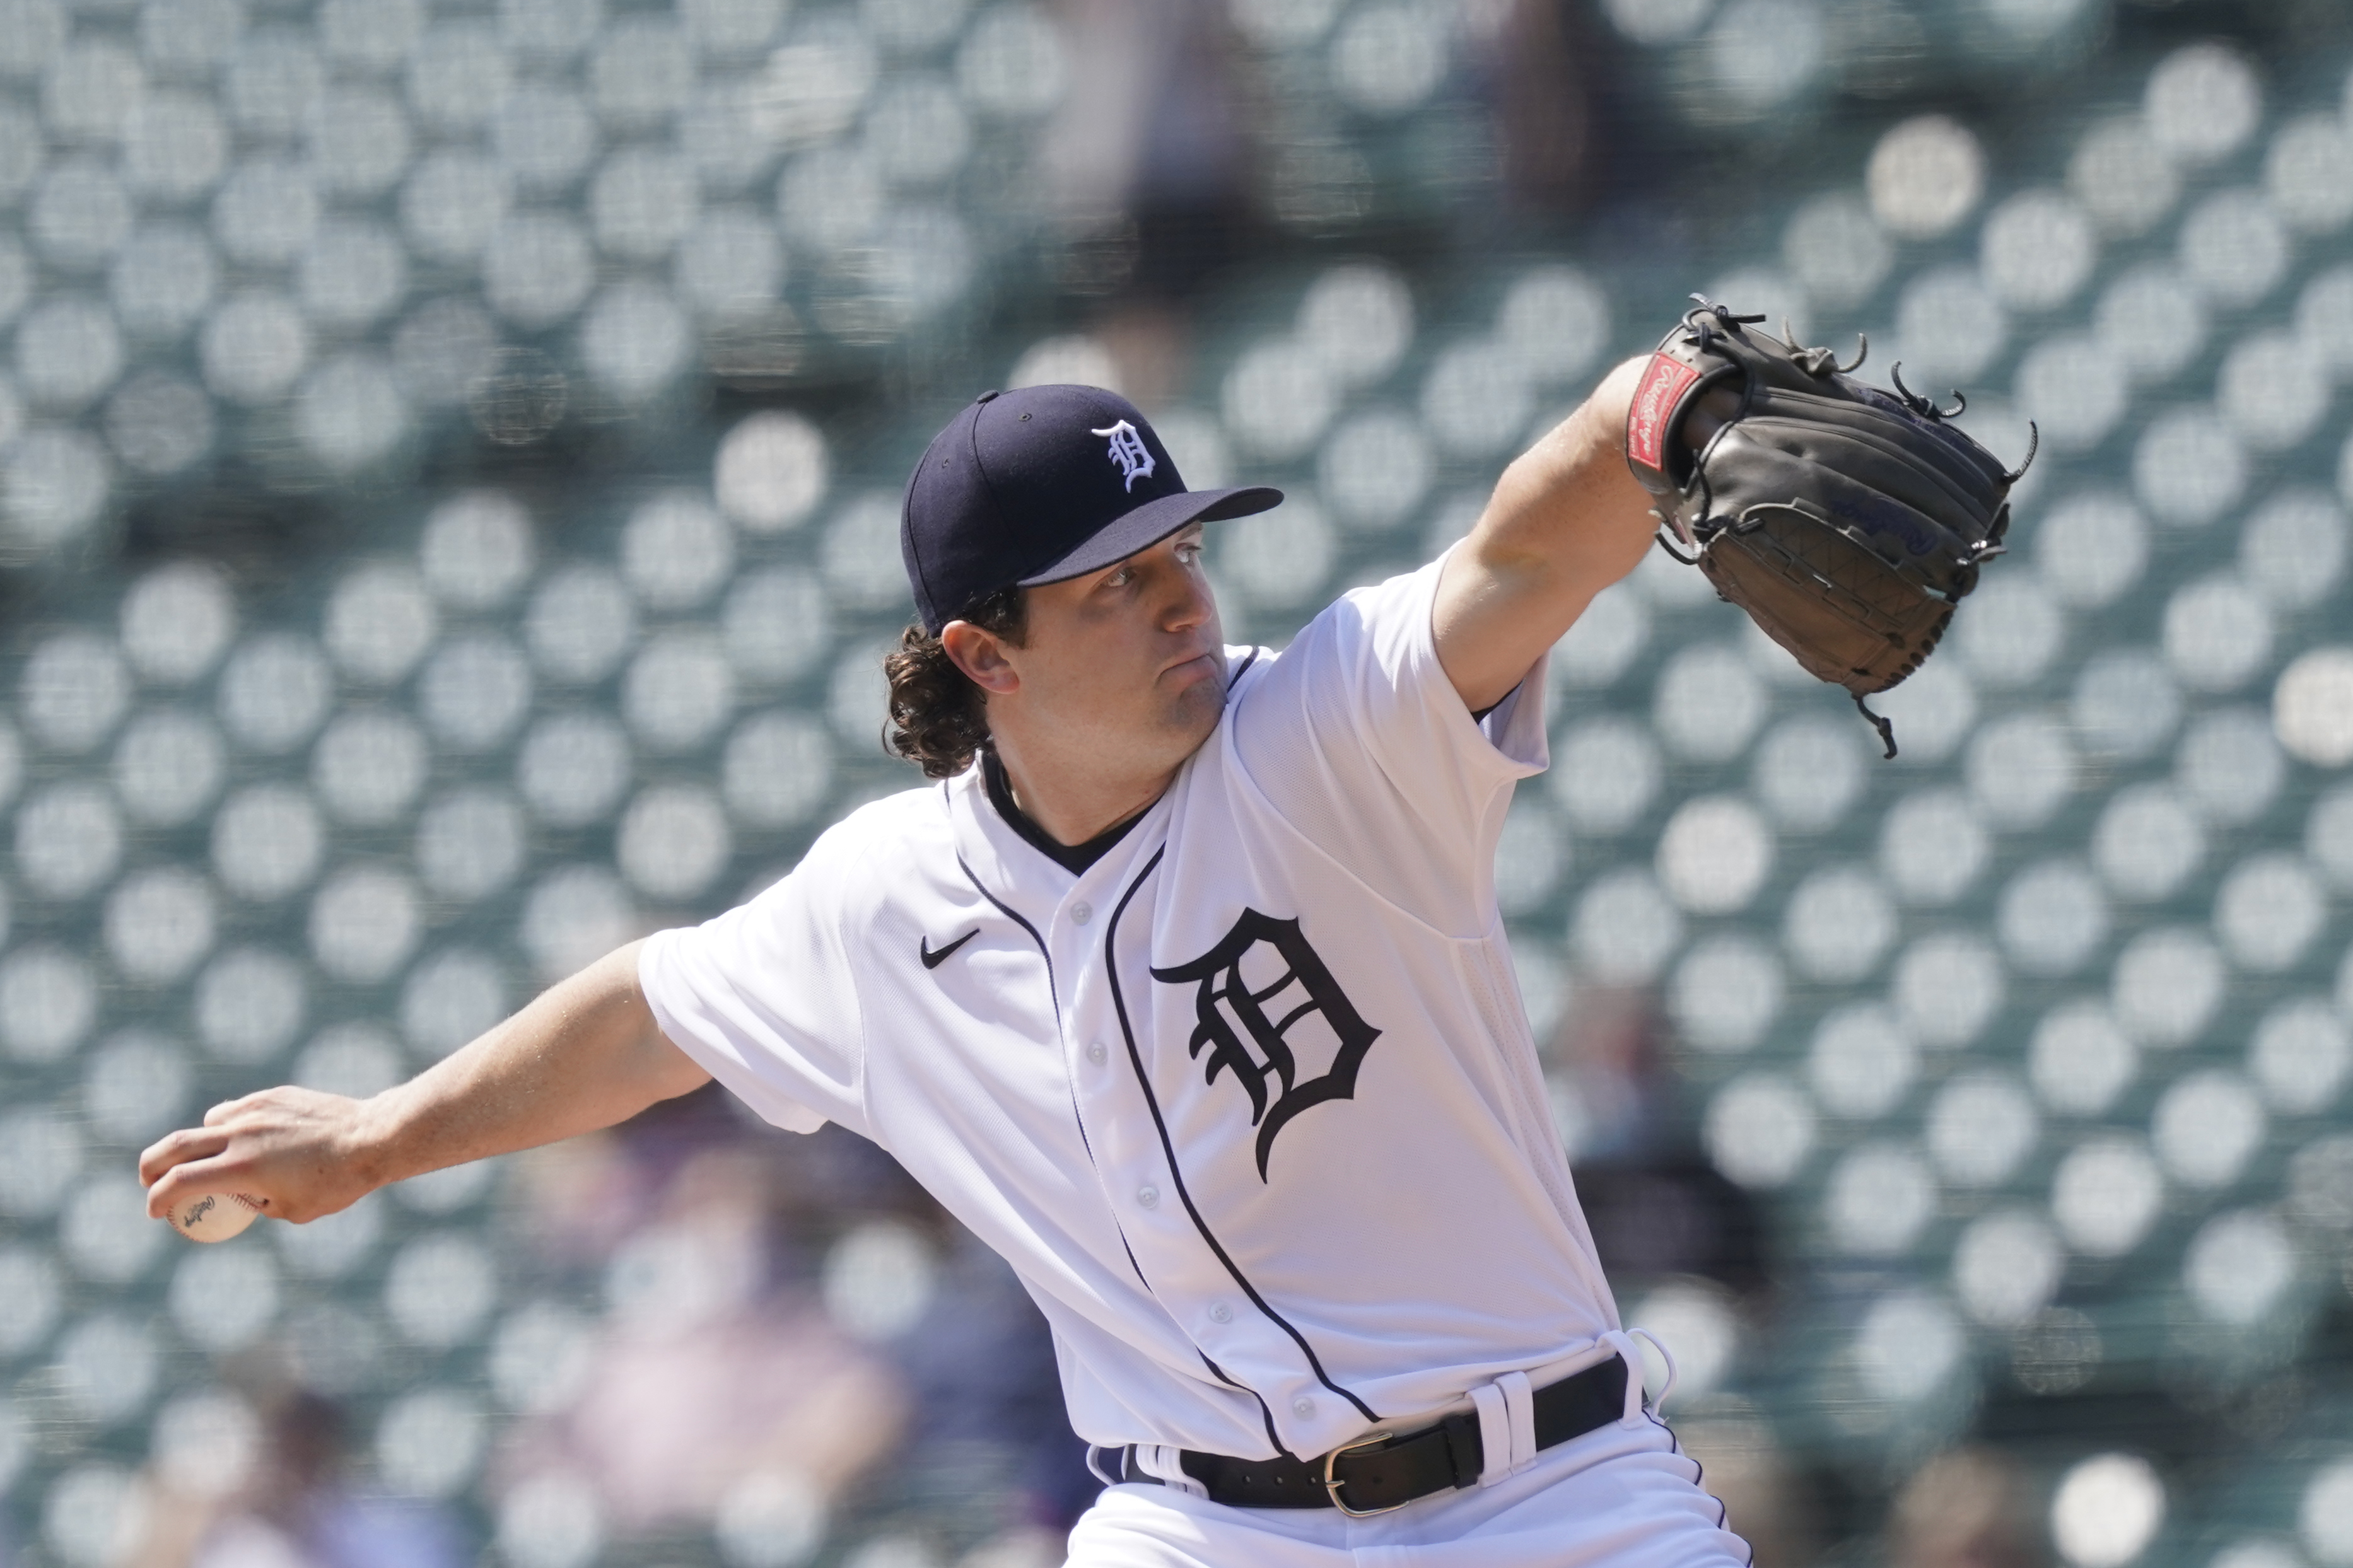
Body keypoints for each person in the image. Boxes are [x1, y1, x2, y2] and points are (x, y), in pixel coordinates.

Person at [144, 371, 1752, 1567]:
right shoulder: (883, 899)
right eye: (1116, 584)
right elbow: (647, 1011)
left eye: (1182, 555)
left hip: (1557, 1493)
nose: (1181, 600)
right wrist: (378, 1138)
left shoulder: (1326, 730)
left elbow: (1526, 562)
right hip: (1200, 1525)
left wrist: (1660, 401)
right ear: (986, 655)